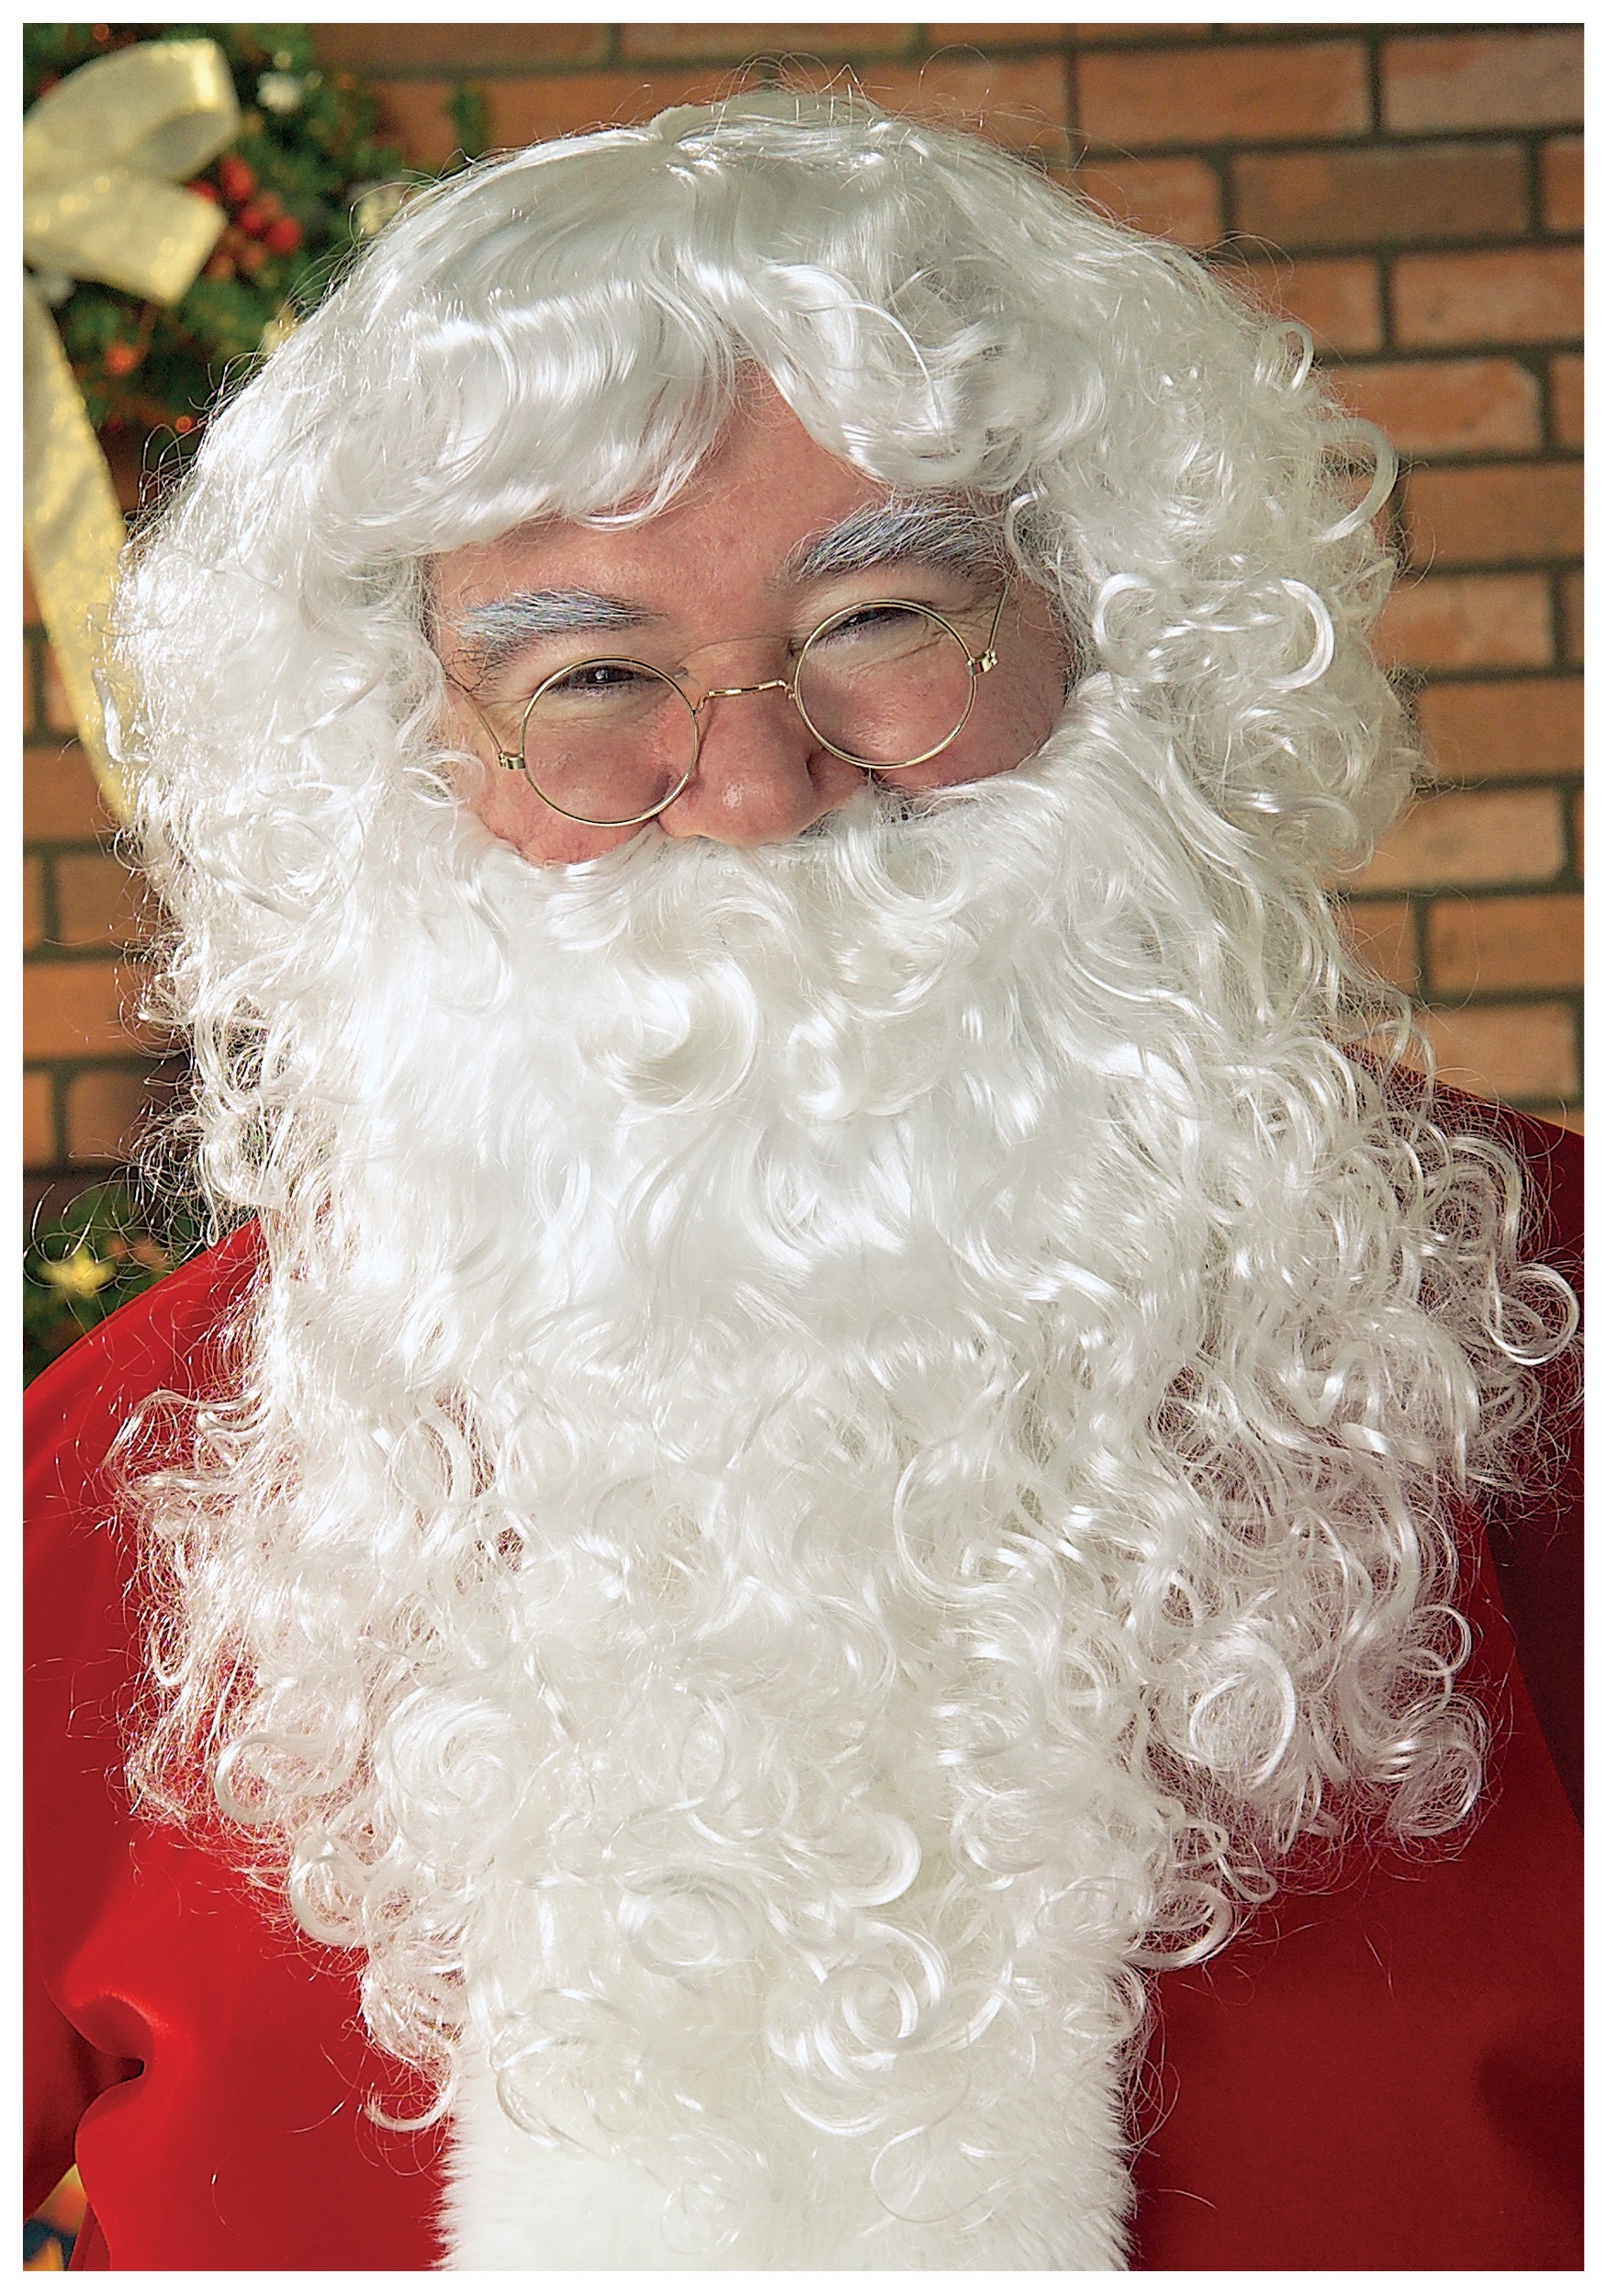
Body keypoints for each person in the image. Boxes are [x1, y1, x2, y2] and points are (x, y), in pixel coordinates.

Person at [25, 94, 1581, 2271]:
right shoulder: (114, 1472)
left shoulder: (1552, 1321)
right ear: (407, 758)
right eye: (588, 676)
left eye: (885, 615)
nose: (754, 791)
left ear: (1108, 635)